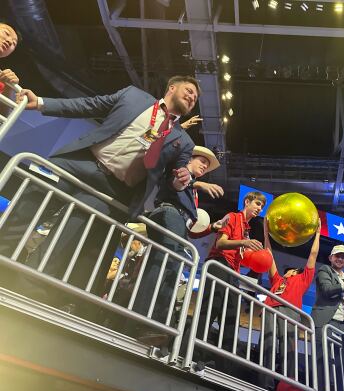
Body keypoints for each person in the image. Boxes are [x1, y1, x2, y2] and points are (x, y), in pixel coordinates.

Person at [0, 75, 199, 311]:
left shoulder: (183, 141)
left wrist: (180, 181)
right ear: (171, 87)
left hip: (110, 190)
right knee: (29, 205)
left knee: (69, 236)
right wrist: (42, 103)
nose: (192, 97)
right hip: (79, 163)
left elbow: (174, 179)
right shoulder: (133, 96)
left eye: (195, 98)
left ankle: (26, 288)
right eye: (189, 90)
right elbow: (89, 105)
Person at [130, 145, 227, 344]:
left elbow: (192, 228)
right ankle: (143, 320)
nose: (204, 167)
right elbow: (177, 182)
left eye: (207, 166)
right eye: (202, 161)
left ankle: (155, 322)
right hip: (170, 215)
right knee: (163, 266)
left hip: (179, 223)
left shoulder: (193, 192)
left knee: (170, 271)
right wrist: (198, 184)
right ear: (190, 159)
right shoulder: (181, 171)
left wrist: (212, 228)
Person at [196, 191, 266, 357]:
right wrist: (243, 242)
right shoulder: (233, 217)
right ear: (247, 202)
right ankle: (192, 353)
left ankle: (223, 363)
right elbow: (220, 243)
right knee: (208, 311)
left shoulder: (247, 229)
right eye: (257, 204)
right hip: (219, 265)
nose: (259, 209)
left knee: (231, 320)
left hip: (233, 273)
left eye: (262, 206)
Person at [261, 216, 321, 387]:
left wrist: (317, 234)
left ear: (296, 272)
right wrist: (266, 232)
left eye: (291, 270)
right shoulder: (277, 280)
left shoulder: (303, 278)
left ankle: (287, 386)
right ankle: (265, 382)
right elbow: (268, 255)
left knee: (288, 347)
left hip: (290, 311)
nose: (287, 272)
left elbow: (313, 255)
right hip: (270, 309)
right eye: (286, 271)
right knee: (268, 343)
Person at [311, 244, 344, 391]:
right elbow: (327, 291)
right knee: (322, 357)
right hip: (326, 320)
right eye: (337, 256)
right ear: (330, 258)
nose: (340, 259)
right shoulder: (324, 270)